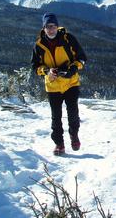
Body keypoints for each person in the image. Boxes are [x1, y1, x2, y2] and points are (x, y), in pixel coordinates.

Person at [31, 12, 87, 156]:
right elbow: (35, 67)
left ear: (57, 26)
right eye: (48, 27)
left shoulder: (68, 39)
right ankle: (59, 144)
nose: (51, 29)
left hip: (71, 82)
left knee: (73, 112)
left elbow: (82, 58)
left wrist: (73, 68)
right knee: (56, 116)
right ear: (43, 28)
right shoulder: (39, 45)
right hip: (53, 85)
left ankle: (74, 136)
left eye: (53, 26)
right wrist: (46, 71)